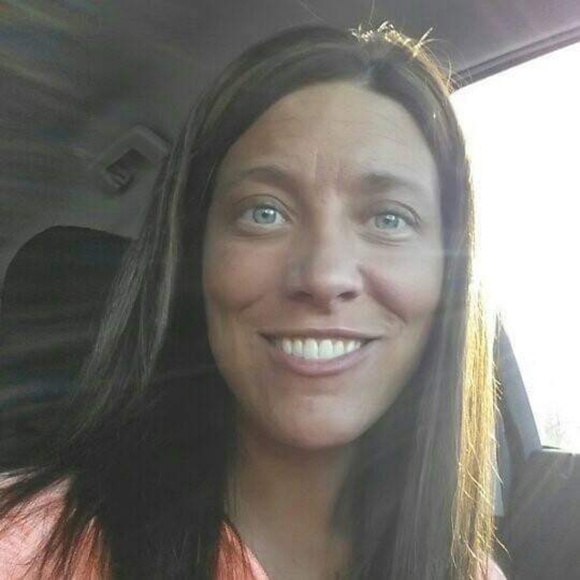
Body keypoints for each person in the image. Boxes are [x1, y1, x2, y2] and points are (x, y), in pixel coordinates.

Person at [0, 23, 505, 579]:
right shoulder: (25, 549)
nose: (323, 275)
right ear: (193, 258)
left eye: (389, 218)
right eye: (264, 212)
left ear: (448, 279)